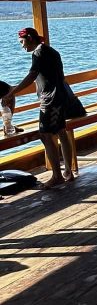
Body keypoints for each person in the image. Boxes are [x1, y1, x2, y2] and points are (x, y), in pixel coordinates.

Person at [1, 28, 82, 187]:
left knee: (45, 135)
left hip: (50, 99)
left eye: (22, 42)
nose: (22, 46)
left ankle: (57, 175)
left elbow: (32, 76)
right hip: (61, 97)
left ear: (30, 38)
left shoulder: (38, 53)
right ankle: (68, 171)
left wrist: (13, 92)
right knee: (61, 132)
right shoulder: (52, 51)